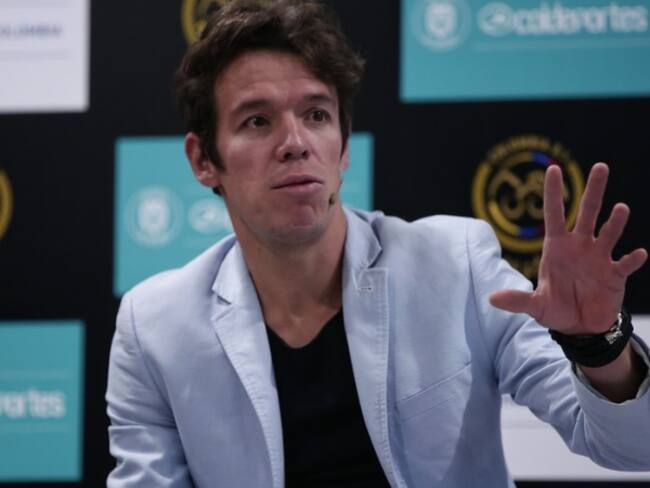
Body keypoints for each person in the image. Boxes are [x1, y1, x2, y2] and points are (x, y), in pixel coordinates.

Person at [106, 0, 650, 486]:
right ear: (203, 160)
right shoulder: (155, 328)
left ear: (343, 147)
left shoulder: (454, 265)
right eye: (257, 121)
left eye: (316, 115)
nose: (295, 143)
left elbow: (633, 447)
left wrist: (598, 344)